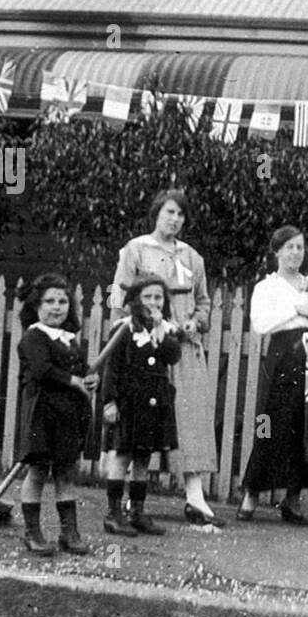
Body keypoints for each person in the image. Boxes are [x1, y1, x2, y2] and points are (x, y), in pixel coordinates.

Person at [109, 189, 224, 529]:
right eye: (169, 212)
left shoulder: (193, 257)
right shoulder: (136, 248)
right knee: (141, 419)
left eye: (180, 215)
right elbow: (119, 293)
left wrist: (195, 322)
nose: (174, 220)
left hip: (182, 345)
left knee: (189, 417)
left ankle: (194, 494)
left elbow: (203, 302)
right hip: (146, 346)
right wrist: (122, 328)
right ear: (156, 213)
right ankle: (131, 499)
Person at [237, 226, 308, 524]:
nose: (296, 253)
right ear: (277, 252)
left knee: (304, 425)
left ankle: (292, 500)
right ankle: (251, 493)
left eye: (300, 247)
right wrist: (298, 307)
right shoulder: (267, 287)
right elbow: (260, 323)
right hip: (282, 355)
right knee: (268, 423)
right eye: (289, 248)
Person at [15, 274, 98, 556]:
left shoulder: (70, 339)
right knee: (38, 471)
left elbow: (81, 369)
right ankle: (33, 532)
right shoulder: (33, 337)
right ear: (36, 306)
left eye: (62, 301)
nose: (57, 307)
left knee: (65, 472)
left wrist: (89, 379)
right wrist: (73, 381)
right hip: (42, 412)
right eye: (49, 301)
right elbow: (42, 370)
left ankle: (69, 532)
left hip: (67, 415)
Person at [99, 273, 182, 537]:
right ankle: (113, 514)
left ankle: (137, 512)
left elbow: (172, 356)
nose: (154, 302)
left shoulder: (164, 330)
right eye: (148, 297)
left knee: (144, 458)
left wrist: (159, 329)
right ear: (136, 300)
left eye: (158, 297)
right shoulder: (125, 328)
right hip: (128, 401)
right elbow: (111, 368)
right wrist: (109, 401)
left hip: (154, 402)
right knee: (122, 455)